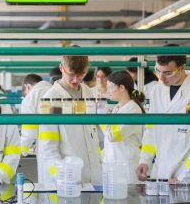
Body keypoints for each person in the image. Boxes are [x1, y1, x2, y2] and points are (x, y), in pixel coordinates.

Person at [136, 45, 190, 185]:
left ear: (182, 68)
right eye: (158, 71)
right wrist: (145, 160)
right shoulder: (157, 90)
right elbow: (152, 129)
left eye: (168, 73)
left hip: (186, 176)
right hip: (160, 171)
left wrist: (184, 178)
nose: (161, 78)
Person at [38, 52, 102, 184]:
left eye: (81, 75)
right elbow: (48, 147)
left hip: (93, 176)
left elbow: (92, 132)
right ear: (61, 68)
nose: (76, 80)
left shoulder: (87, 91)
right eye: (71, 75)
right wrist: (62, 175)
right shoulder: (51, 99)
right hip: (66, 179)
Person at [101, 71, 144, 184]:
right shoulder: (117, 108)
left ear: (121, 87)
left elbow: (113, 136)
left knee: (129, 200)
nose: (107, 91)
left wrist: (100, 115)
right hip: (114, 168)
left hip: (127, 169)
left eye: (110, 87)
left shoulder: (133, 109)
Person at [20, 74, 52, 156]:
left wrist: (21, 150)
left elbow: (29, 132)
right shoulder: (55, 90)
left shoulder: (30, 98)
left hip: (47, 149)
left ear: (27, 87)